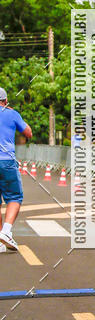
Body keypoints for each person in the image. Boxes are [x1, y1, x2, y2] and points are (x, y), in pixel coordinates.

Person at [0, 87, 32, 252]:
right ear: (5, 101)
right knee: (14, 197)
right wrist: (13, 114)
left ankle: (0, 241)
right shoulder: (12, 114)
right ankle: (6, 231)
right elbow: (28, 133)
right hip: (6, 161)